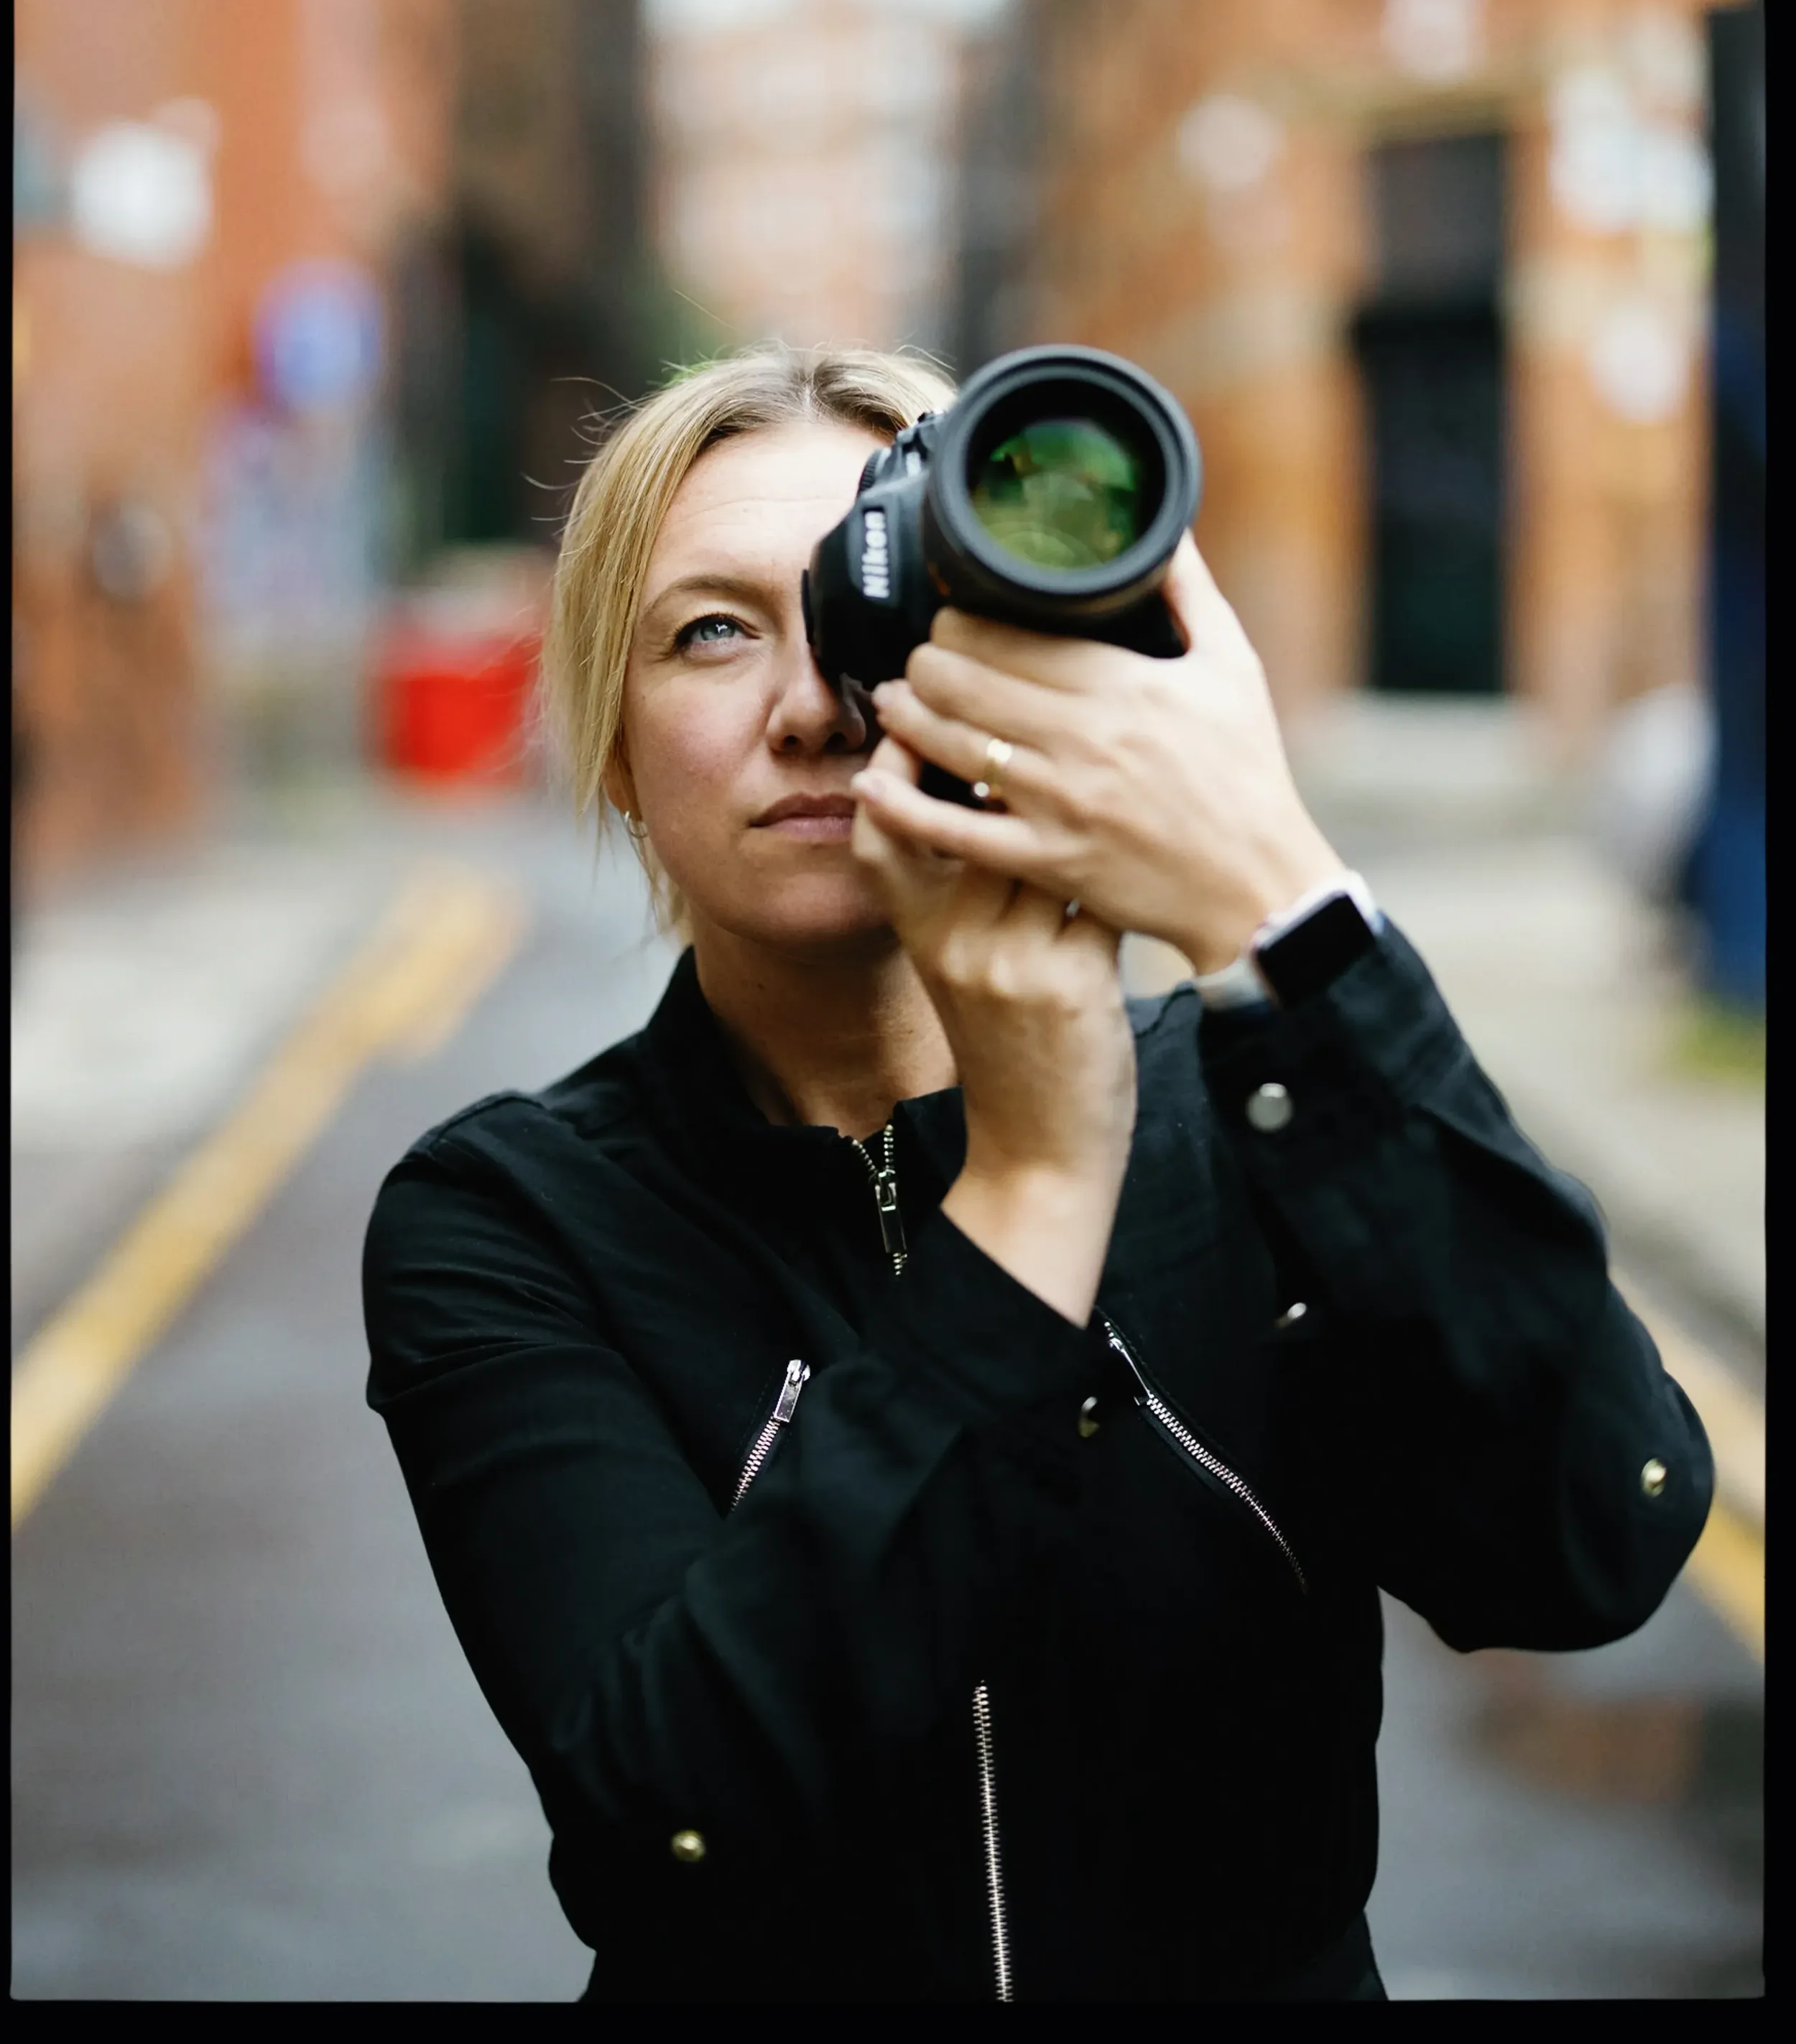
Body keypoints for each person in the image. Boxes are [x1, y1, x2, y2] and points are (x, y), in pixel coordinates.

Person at [362, 344, 1713, 2002]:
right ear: (617, 751)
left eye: (878, 610)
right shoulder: (511, 1219)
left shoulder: (1252, 1113)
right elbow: (673, 1830)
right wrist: (1033, 1178)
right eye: (710, 630)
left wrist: (1274, 897)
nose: (814, 704)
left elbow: (1587, 1541)